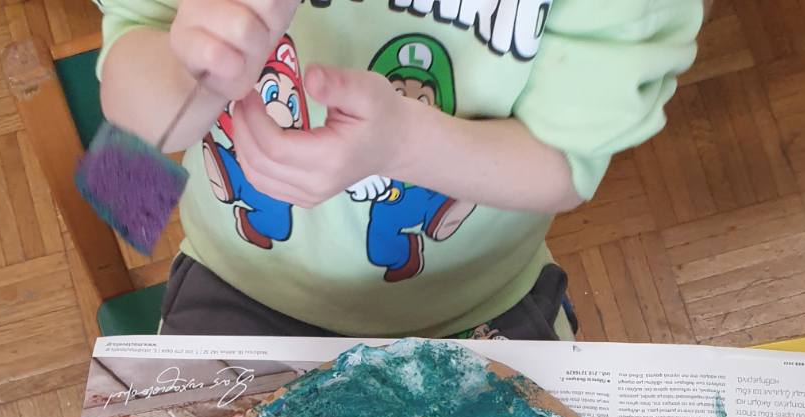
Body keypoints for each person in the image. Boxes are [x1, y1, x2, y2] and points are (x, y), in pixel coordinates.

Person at [96, 0, 704, 339]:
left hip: (472, 307)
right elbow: (138, 125)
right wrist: (190, 67)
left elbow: (566, 165)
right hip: (239, 284)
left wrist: (404, 144)